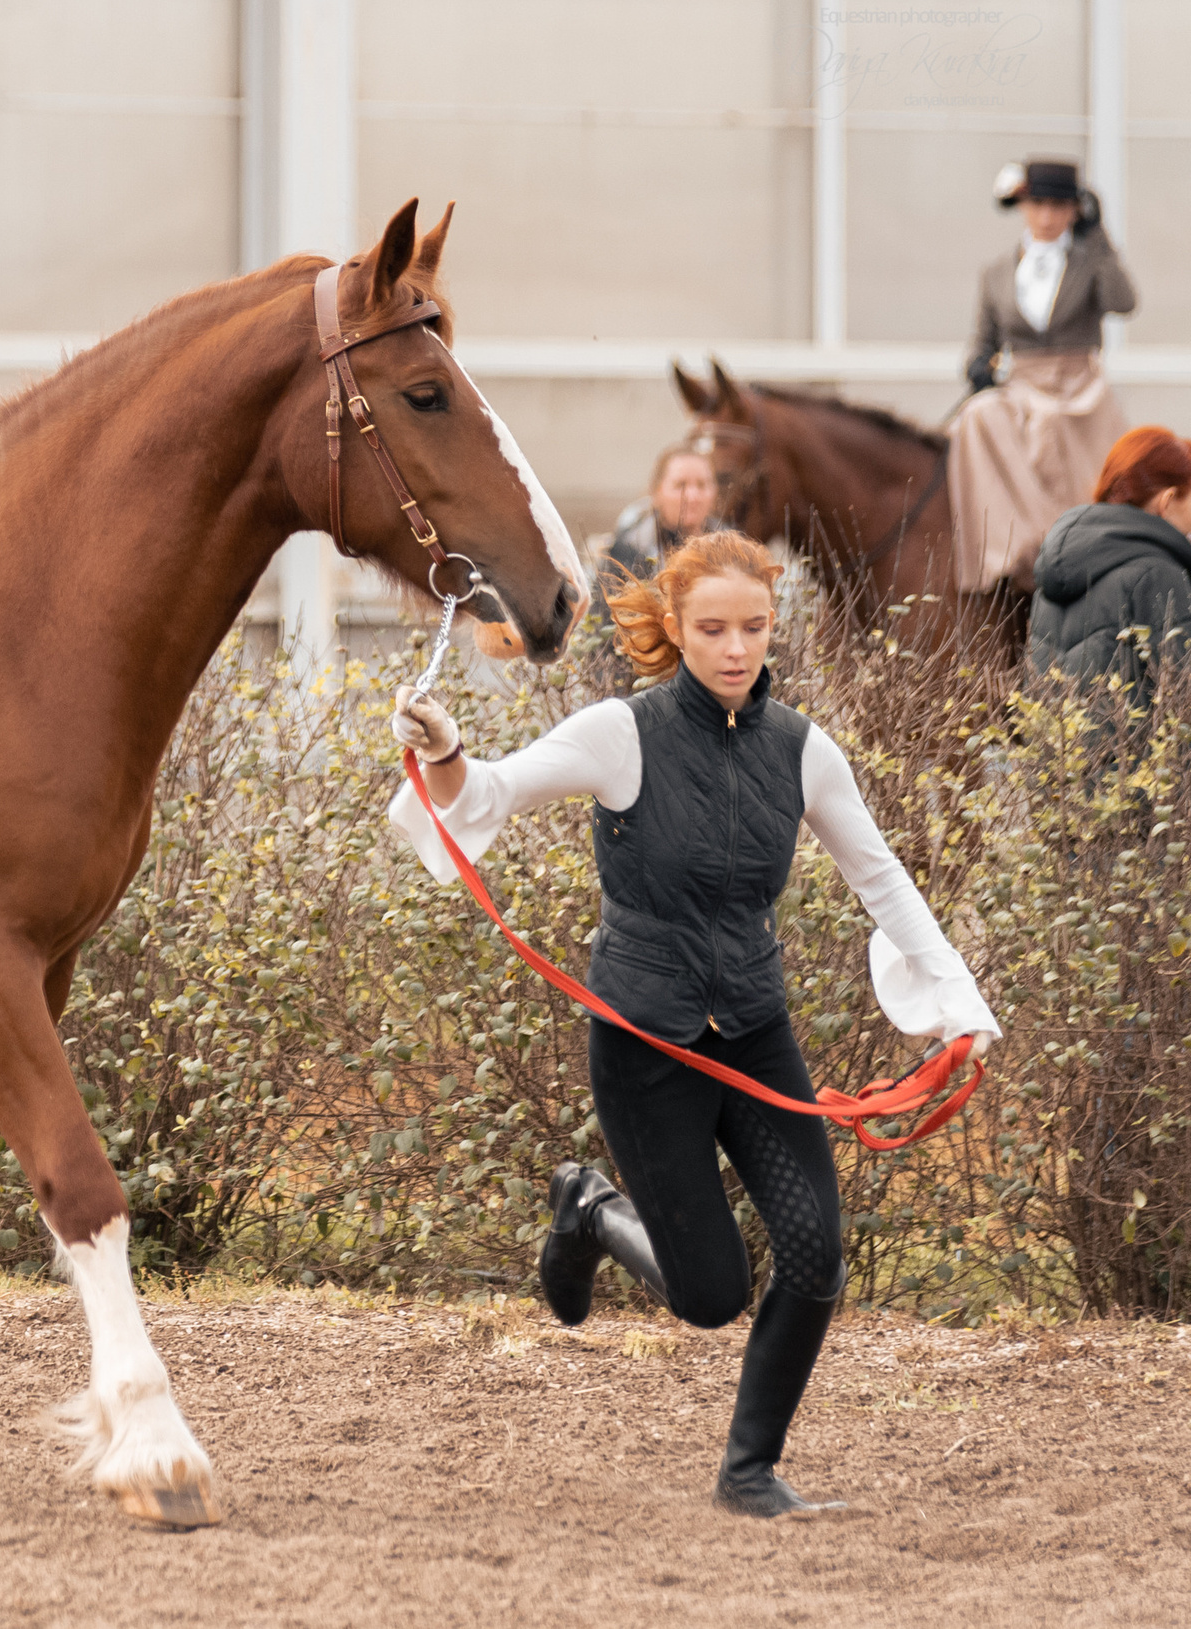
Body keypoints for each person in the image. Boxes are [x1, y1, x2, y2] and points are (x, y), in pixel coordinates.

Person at [386, 531, 999, 1518]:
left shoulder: (803, 749)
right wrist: (448, 749)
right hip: (646, 1043)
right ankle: (587, 1209)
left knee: (813, 1257)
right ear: (674, 627)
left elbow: (877, 874)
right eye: (712, 627)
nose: (734, 647)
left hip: (754, 1029)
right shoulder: (617, 733)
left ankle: (749, 1470)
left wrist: (958, 1006)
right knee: (709, 1293)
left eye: (752, 627)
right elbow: (487, 791)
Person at [947, 156, 1139, 596]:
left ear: (1075, 211)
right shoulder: (996, 272)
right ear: (1023, 207)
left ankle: (1079, 547)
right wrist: (977, 365)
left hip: (1079, 387)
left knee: (1050, 424)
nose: (1047, 217)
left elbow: (1124, 302)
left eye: (1058, 207)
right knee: (976, 418)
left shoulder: (1089, 262)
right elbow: (984, 340)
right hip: (1022, 383)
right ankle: (1010, 553)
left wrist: (1100, 240)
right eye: (1038, 205)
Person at [1030, 426, 1191, 718]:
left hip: (1052, 760)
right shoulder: (1158, 576)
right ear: (1167, 501)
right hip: (1131, 763)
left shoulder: (1052, 573)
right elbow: (1183, 703)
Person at [595, 445, 727, 617]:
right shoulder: (627, 551)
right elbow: (606, 622)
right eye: (681, 485)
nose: (693, 496)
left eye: (702, 485)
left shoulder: (732, 549)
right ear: (657, 492)